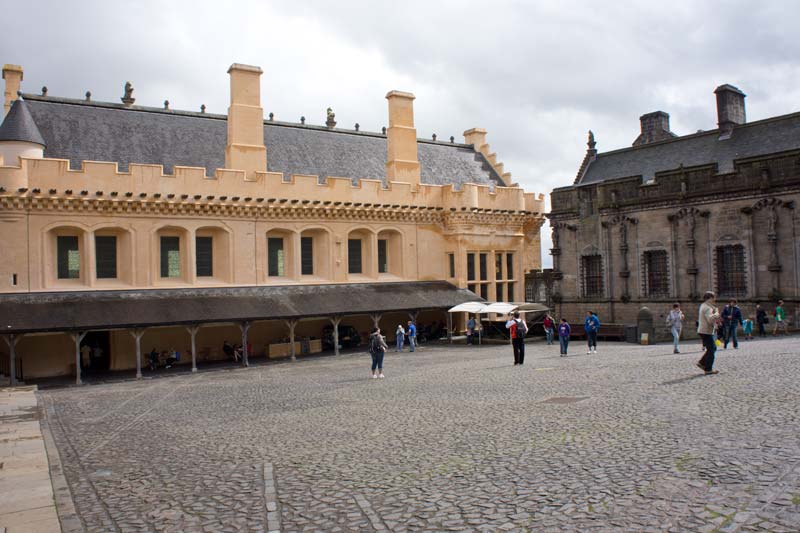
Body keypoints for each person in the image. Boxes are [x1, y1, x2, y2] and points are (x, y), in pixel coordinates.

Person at [697, 291, 720, 375]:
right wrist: (717, 313)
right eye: (714, 297)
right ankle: (708, 369)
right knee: (712, 349)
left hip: (703, 330)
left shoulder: (704, 305)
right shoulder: (707, 308)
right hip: (706, 331)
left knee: (712, 348)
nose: (715, 299)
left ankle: (702, 363)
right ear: (710, 298)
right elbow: (710, 319)